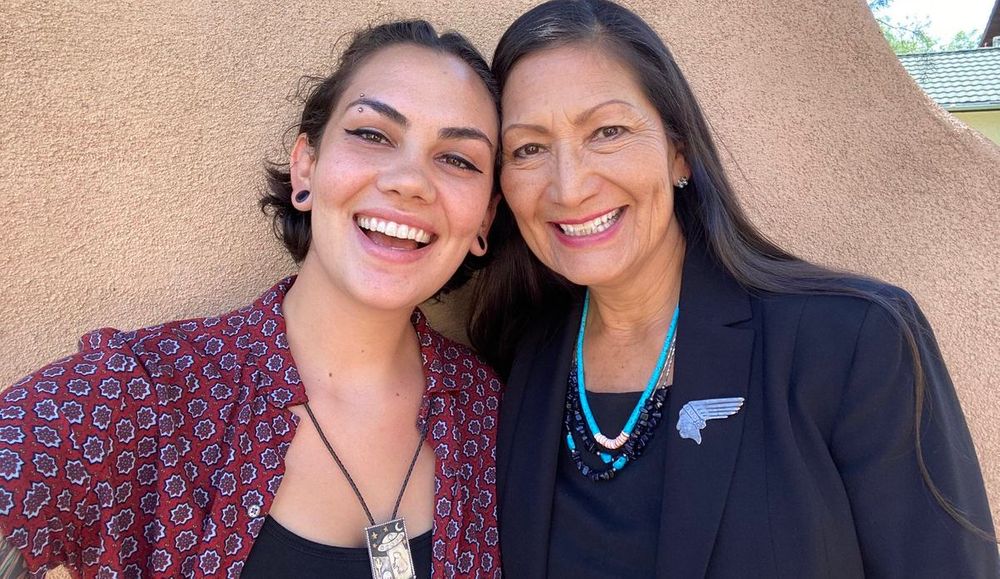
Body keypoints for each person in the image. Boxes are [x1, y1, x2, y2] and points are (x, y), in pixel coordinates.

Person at [469, 0, 999, 577]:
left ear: (679, 151)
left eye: (608, 131)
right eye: (528, 148)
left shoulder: (853, 340)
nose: (568, 188)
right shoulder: (521, 362)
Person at [0, 20, 502, 578]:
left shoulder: (495, 419)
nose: (410, 180)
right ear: (306, 168)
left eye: (458, 159)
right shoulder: (146, 395)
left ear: (485, 217)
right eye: (373, 134)